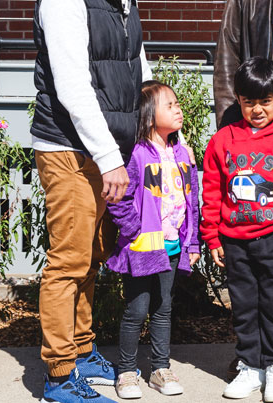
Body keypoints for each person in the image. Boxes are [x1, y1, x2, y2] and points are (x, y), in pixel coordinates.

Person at [31, 0, 151, 403]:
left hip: (109, 148)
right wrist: (108, 158)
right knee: (67, 262)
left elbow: (136, 67)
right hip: (68, 148)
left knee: (92, 257)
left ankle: (81, 351)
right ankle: (59, 375)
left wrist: (152, 134)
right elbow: (73, 87)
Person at [200, 57, 273, 403]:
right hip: (235, 241)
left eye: (265, 101)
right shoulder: (223, 140)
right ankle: (251, 366)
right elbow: (211, 190)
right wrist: (212, 235)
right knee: (245, 306)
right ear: (238, 98)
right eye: (249, 102)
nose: (257, 109)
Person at [106, 81, 201, 400]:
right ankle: (127, 372)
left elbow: (193, 199)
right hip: (143, 248)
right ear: (148, 115)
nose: (178, 109)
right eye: (169, 105)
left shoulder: (182, 152)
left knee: (163, 308)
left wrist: (192, 243)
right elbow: (118, 198)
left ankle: (160, 368)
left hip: (174, 246)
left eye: (177, 104)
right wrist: (133, 229)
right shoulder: (136, 154)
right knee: (137, 310)